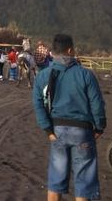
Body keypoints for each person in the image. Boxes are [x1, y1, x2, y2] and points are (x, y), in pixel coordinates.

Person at [32, 34, 106, 201]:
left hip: (57, 131)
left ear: (53, 51)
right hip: (83, 131)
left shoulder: (43, 75)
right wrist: (100, 126)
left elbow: (38, 104)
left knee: (55, 180)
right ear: (70, 50)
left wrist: (47, 129)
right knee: (84, 181)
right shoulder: (85, 75)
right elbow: (97, 105)